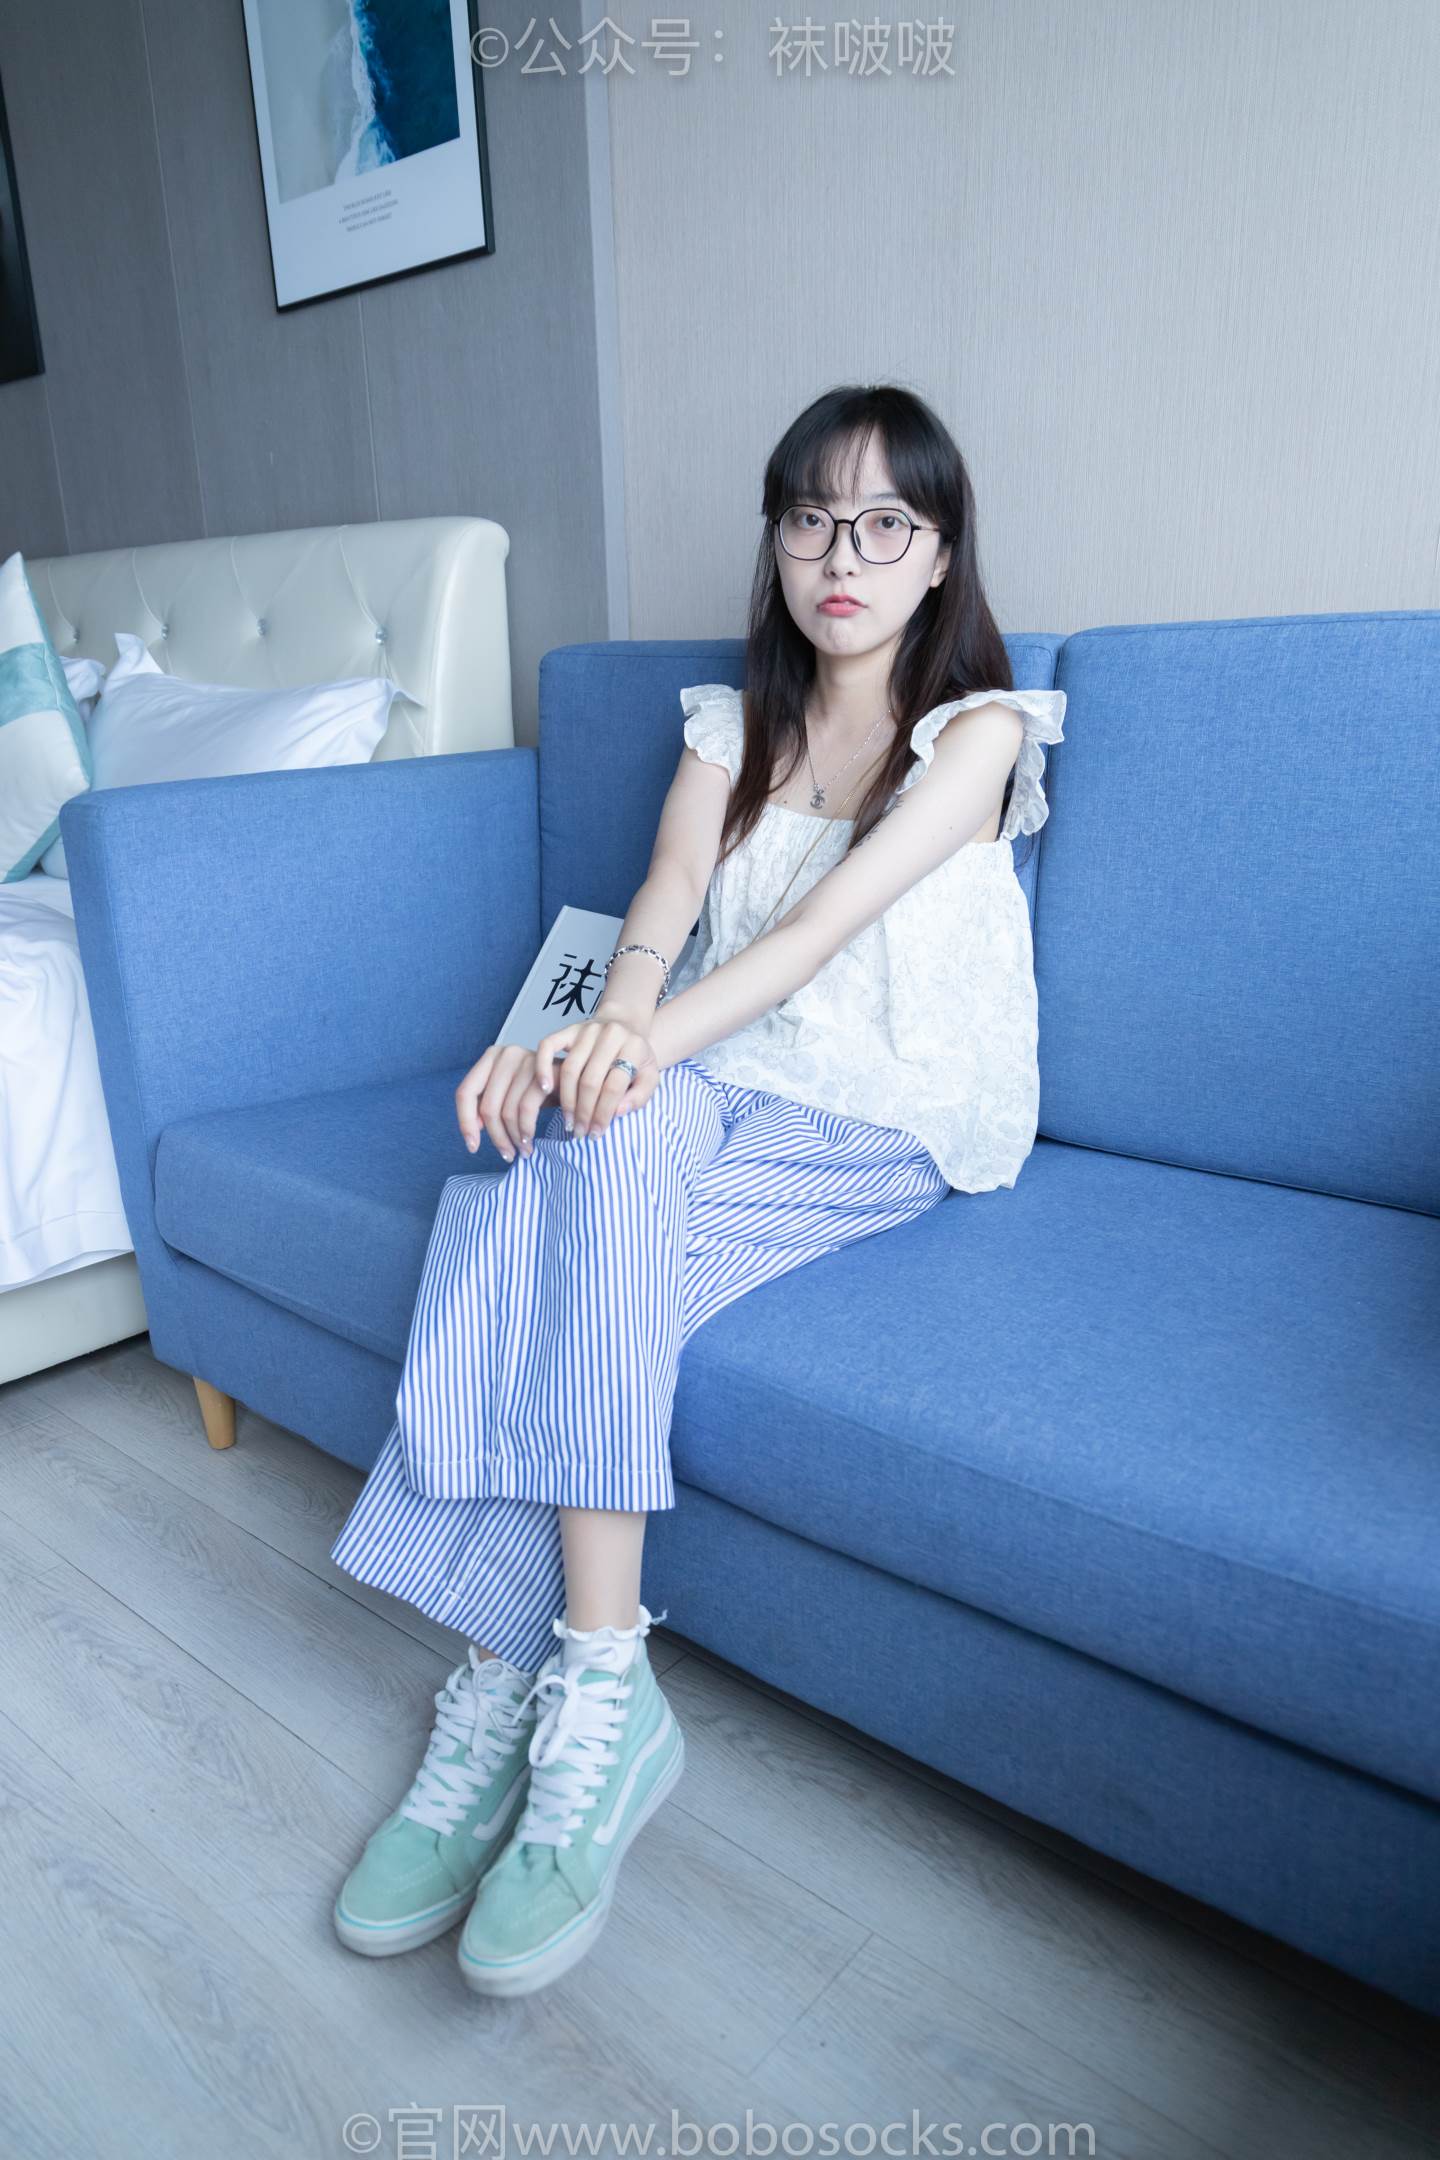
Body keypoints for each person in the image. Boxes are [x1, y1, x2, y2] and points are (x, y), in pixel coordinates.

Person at [327, 382, 1067, 1999]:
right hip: (724, 1079)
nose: (843, 557)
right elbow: (664, 895)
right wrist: (589, 1041)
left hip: (886, 1112)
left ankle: (557, 1684)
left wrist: (619, 1056)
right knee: (559, 1180)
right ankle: (552, 1691)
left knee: (559, 1194)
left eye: (886, 524)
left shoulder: (982, 733)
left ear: (944, 553)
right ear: (777, 541)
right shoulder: (735, 726)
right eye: (811, 519)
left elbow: (814, 935)